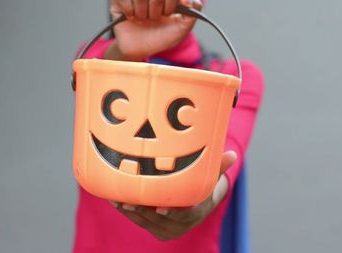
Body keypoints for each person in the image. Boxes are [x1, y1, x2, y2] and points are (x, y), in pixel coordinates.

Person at [73, 0, 264, 252]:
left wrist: (204, 200)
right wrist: (129, 50)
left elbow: (224, 163)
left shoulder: (233, 79)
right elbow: (95, 72)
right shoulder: (97, 63)